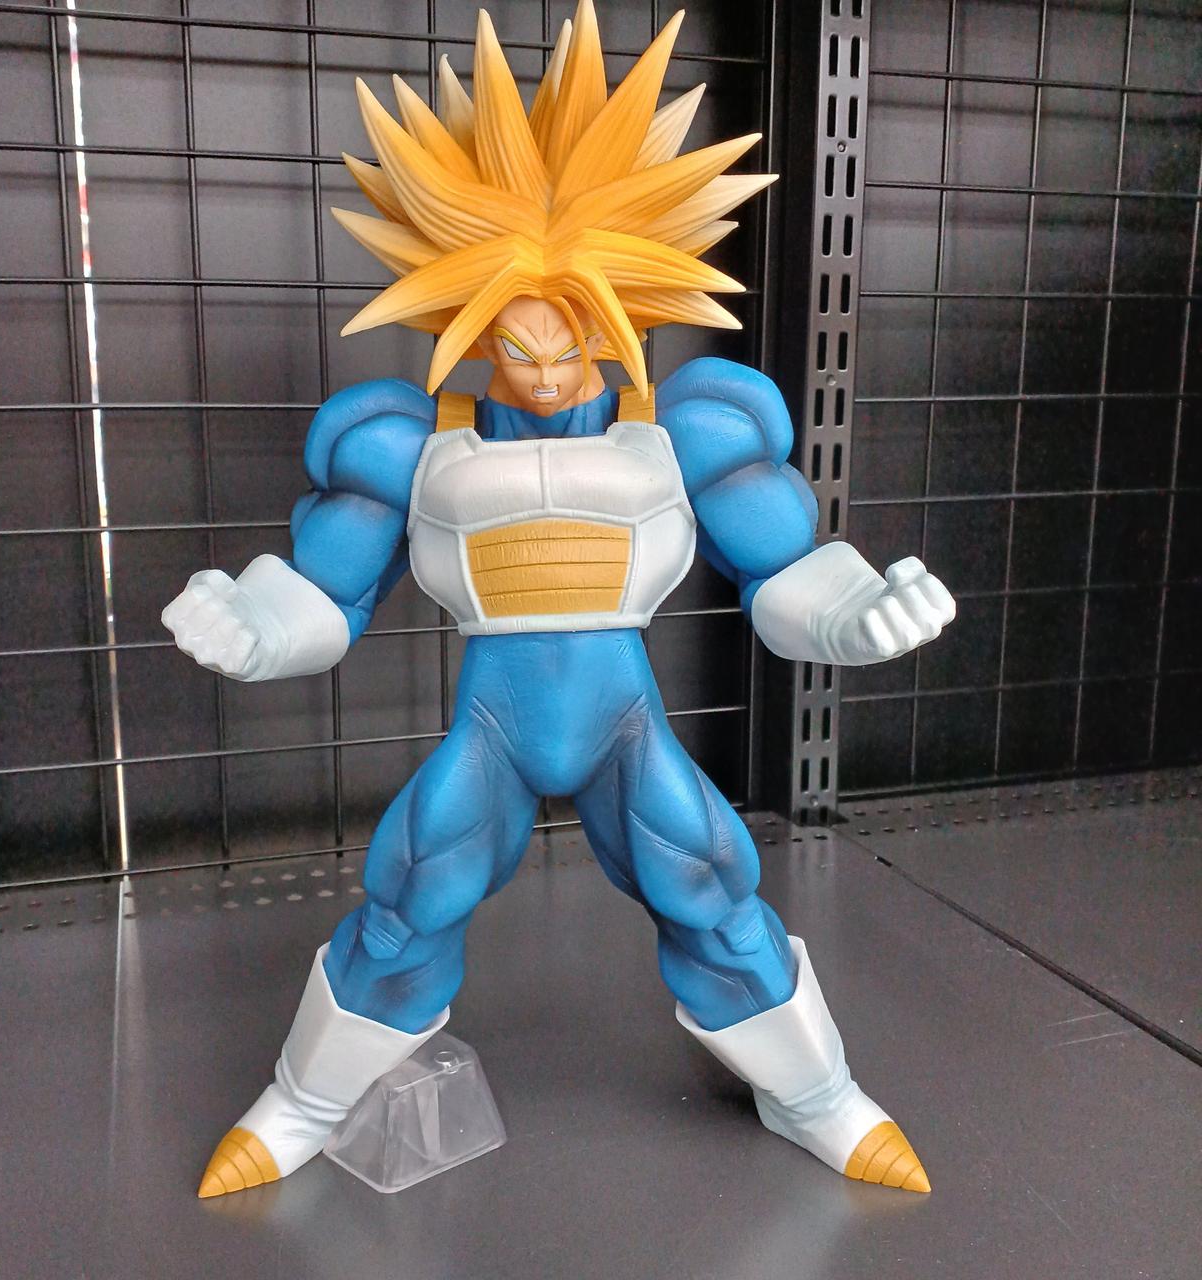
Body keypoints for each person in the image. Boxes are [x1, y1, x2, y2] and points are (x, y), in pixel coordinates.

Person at [163, 1, 953, 1199]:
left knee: (709, 882)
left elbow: (784, 571)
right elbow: (326, 595)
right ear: (460, 311)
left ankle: (814, 1092)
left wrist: (856, 615)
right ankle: (307, 1099)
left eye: (570, 325)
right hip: (492, 731)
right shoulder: (405, 443)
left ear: (626, 299)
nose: (538, 357)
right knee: (409, 894)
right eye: (508, 328)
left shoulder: (691, 428)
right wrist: (252, 629)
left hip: (620, 727)